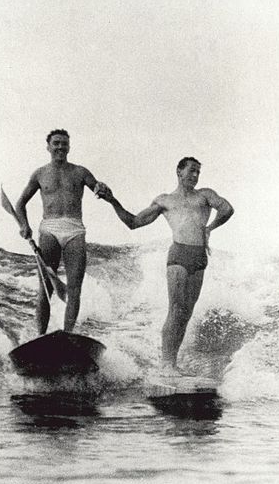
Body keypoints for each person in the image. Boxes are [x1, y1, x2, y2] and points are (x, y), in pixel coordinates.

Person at [100, 157, 234, 376]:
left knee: (187, 314)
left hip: (199, 257)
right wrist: (113, 200)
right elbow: (133, 222)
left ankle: (172, 363)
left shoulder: (205, 195)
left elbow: (227, 209)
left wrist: (209, 228)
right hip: (179, 255)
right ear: (179, 172)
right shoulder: (165, 201)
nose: (195, 175)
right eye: (191, 170)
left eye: (198, 172)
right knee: (175, 310)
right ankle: (166, 364)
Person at [15, 129, 108, 334]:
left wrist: (101, 188)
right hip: (49, 228)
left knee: (74, 289)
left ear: (69, 147)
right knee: (46, 287)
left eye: (64, 143)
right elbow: (20, 204)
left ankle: (67, 335)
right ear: (48, 147)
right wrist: (24, 225)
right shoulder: (39, 174)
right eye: (56, 143)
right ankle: (40, 336)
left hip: (74, 229)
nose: (60, 147)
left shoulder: (81, 172)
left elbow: (98, 188)